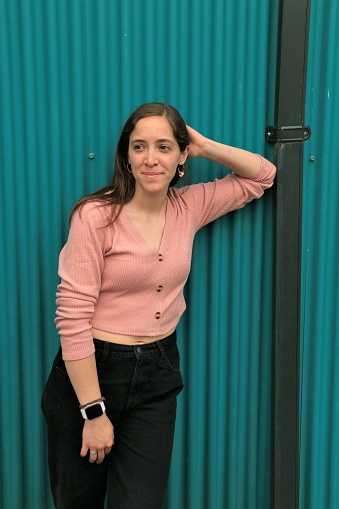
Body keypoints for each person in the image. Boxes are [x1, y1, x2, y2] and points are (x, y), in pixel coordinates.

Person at [41, 102, 276, 509]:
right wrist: (93, 412)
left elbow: (262, 176)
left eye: (164, 147)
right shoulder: (95, 216)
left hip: (158, 372)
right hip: (90, 374)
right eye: (139, 147)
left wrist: (203, 146)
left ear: (181, 156)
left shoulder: (189, 207)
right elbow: (72, 314)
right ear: (126, 156)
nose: (151, 159)